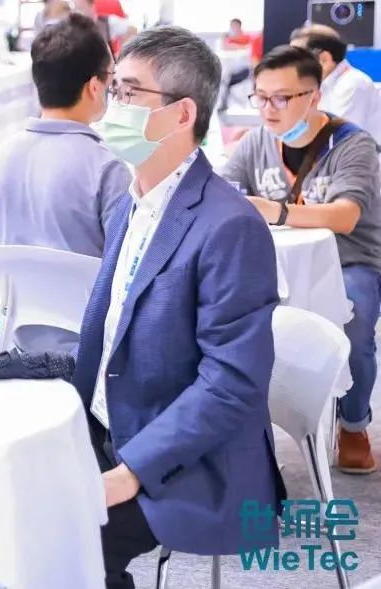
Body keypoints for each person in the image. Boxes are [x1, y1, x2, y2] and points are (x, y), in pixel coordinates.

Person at [76, 27, 285, 588]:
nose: (112, 105)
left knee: (60, 542)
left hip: (190, 463)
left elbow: (232, 384)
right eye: (114, 89)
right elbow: (111, 339)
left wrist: (131, 471)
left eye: (129, 92)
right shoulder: (131, 204)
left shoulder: (229, 225)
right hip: (110, 427)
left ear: (181, 113)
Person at [223, 45, 381, 474]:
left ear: (314, 97)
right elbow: (224, 191)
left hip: (348, 261)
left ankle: (353, 423)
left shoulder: (353, 144)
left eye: (281, 98)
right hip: (271, 263)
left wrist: (276, 211)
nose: (268, 109)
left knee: (356, 322)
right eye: (260, 97)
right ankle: (242, 425)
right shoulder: (256, 142)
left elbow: (346, 216)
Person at [0, 13, 130, 270]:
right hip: (83, 298)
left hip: (11, 298)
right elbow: (124, 270)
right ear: (94, 87)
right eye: (111, 76)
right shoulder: (108, 170)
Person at [291, 27, 380, 141]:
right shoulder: (317, 85)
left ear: (324, 59)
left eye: (296, 59)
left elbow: (339, 138)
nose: (290, 65)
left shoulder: (352, 84)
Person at [218, 18, 257, 112]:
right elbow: (224, 47)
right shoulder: (228, 39)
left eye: (234, 26)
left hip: (245, 70)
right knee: (224, 81)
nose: (233, 28)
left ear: (239, 26)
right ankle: (223, 104)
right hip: (230, 72)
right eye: (231, 26)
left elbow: (250, 47)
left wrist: (237, 47)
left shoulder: (247, 37)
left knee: (226, 81)